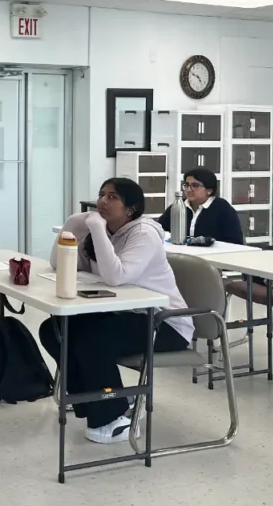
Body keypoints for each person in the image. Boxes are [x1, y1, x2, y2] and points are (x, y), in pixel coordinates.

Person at [40, 178, 193, 444]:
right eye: (101, 195)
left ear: (131, 209)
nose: (102, 201)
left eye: (112, 197)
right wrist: (73, 224)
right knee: (54, 329)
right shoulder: (100, 231)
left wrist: (97, 228)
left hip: (163, 321)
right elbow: (58, 264)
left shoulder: (143, 233)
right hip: (123, 313)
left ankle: (112, 416)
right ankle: (95, 400)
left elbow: (116, 276)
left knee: (93, 339)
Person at [157, 167, 244, 245]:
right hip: (184, 255)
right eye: (186, 185)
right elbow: (159, 231)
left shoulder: (223, 209)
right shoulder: (178, 206)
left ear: (209, 190)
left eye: (195, 186)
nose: (188, 190)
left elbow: (235, 241)